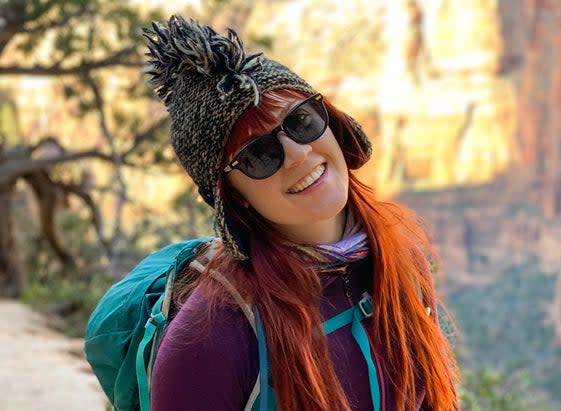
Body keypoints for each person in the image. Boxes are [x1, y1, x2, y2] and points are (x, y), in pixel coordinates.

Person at [142, 15, 459, 411]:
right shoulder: (212, 336)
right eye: (258, 155)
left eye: (300, 120)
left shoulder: (401, 262)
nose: (297, 153)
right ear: (233, 197)